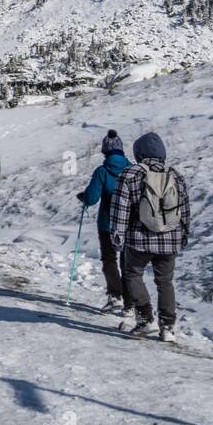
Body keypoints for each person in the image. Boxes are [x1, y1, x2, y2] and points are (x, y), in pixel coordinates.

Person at [109, 132, 191, 342]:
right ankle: (168, 327)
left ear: (139, 153)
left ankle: (146, 319)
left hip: (139, 239)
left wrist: (117, 235)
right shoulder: (175, 174)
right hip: (170, 237)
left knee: (132, 273)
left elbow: (120, 209)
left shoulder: (130, 174)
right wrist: (183, 234)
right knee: (165, 282)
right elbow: (185, 209)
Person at [76, 130, 132, 314]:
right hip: (130, 224)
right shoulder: (133, 170)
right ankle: (130, 301)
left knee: (109, 259)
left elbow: (92, 198)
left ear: (105, 151)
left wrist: (84, 197)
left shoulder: (102, 171)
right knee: (127, 262)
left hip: (107, 224)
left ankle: (115, 295)